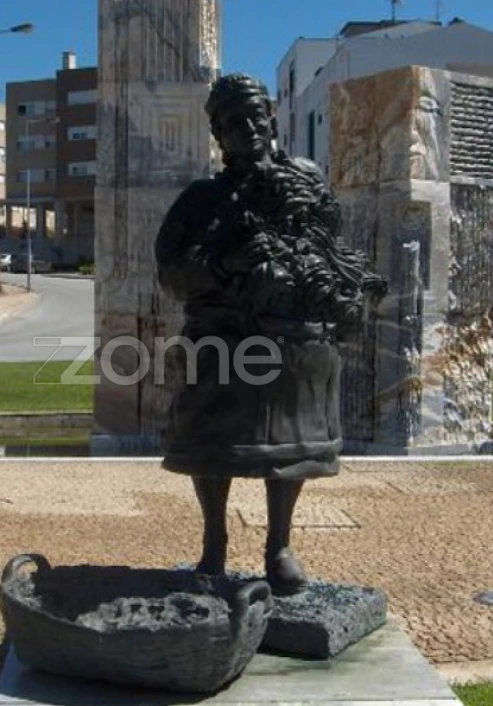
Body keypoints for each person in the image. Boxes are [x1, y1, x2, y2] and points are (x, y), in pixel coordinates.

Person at [155, 73, 386, 595]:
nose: (248, 128)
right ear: (218, 133)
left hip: (295, 343)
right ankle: (214, 546)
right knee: (213, 444)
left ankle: (278, 546)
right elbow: (170, 273)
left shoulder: (303, 177)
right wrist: (223, 264)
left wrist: (311, 223)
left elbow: (331, 248)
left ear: (272, 119)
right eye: (233, 122)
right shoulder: (201, 199)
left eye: (255, 116)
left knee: (290, 448)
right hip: (222, 344)